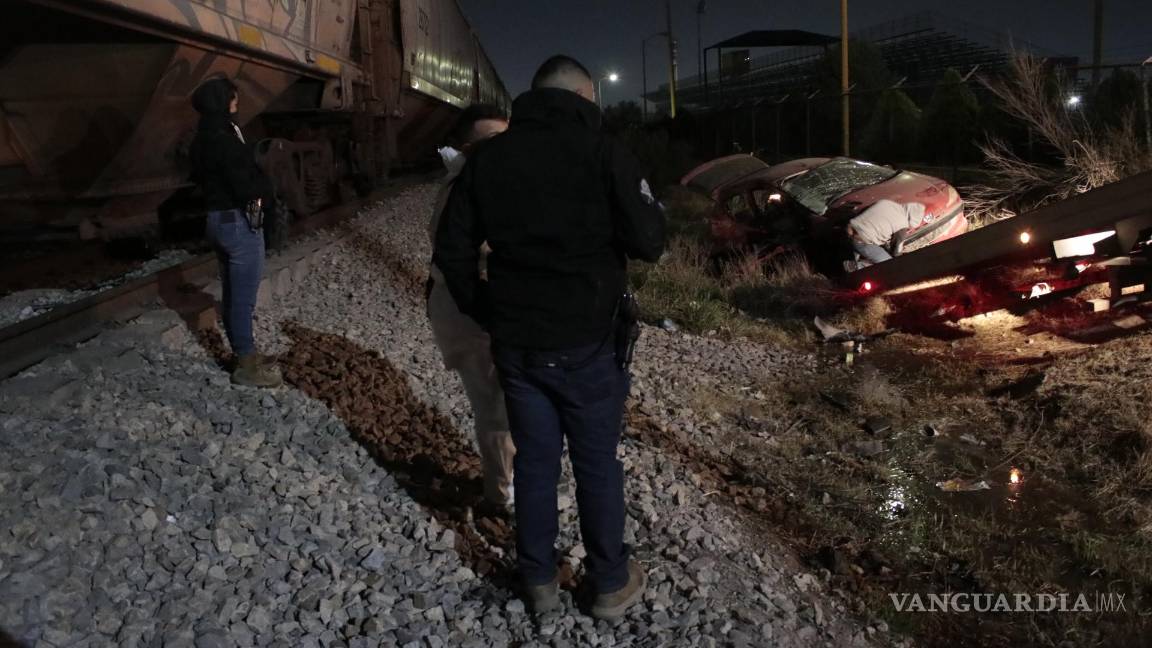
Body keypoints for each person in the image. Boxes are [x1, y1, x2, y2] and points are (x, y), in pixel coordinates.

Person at [434, 55, 665, 620]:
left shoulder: (487, 160)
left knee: (536, 461)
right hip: (590, 341)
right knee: (595, 463)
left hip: (518, 343)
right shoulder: (606, 153)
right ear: (586, 94)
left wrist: (486, 309)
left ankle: (539, 580)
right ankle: (609, 580)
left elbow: (452, 252)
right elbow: (650, 241)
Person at [426, 104, 515, 510]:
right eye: (494, 142)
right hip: (474, 314)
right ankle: (502, 496)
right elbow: (459, 261)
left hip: (474, 308)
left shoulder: (470, 180)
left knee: (503, 403)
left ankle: (508, 485)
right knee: (497, 407)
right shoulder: (467, 188)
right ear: (468, 146)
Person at [189, 77, 282, 387]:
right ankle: (246, 365)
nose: (236, 103)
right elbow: (244, 184)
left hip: (216, 221)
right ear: (223, 101)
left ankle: (247, 353)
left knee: (231, 293)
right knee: (242, 299)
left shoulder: (201, 137)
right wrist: (264, 191)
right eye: (233, 98)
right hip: (238, 224)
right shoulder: (225, 138)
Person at [846, 199, 928, 266]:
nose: (908, 228)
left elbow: (878, 225)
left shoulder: (887, 202)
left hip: (849, 228)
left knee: (874, 249)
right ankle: (854, 266)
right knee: (889, 263)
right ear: (910, 219)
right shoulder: (902, 225)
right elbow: (896, 253)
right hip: (861, 241)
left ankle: (854, 255)